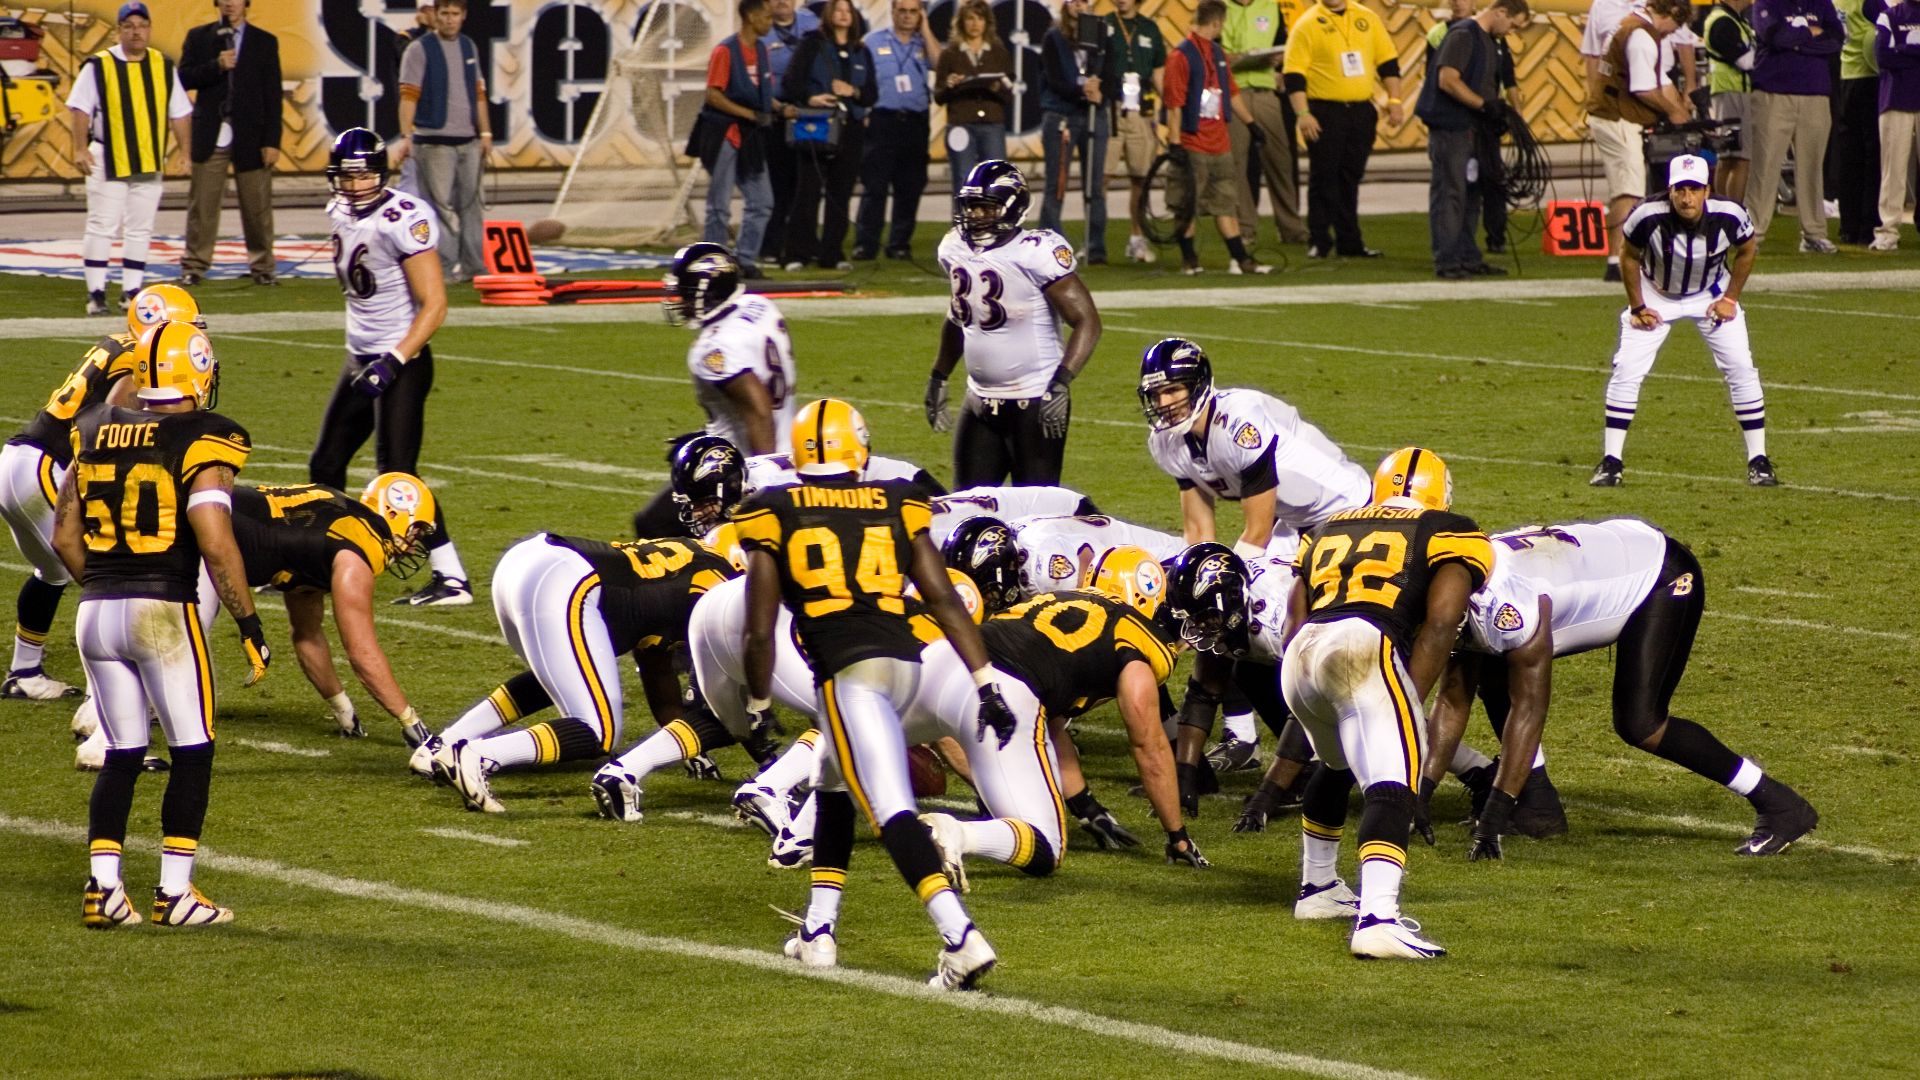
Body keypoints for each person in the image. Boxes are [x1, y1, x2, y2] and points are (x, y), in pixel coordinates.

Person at [733, 397, 1011, 988]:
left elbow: (759, 630)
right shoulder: (892, 499)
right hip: (905, 664)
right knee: (830, 780)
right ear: (857, 446)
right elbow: (940, 597)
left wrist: (757, 704)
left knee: (891, 811)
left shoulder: (772, 509)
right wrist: (985, 681)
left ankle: (961, 937)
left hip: (849, 674)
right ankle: (819, 930)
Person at [1424, 519, 1819, 858]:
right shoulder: (1459, 585)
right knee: (1492, 678)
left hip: (1658, 577)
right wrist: (1417, 801)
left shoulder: (1507, 604)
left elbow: (1530, 708)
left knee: (1641, 723)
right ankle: (1538, 806)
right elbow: (1451, 699)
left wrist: (1492, 817)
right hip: (1592, 563)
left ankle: (1778, 802)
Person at [54, 320, 269, 929]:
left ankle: (104, 889)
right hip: (161, 611)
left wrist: (104, 585)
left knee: (122, 751)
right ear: (197, 369)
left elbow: (64, 535)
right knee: (193, 750)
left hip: (95, 613)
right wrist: (250, 626)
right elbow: (217, 542)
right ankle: (174, 893)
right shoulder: (206, 436)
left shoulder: (94, 426)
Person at [1278, 448, 1491, 959]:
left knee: (1335, 762)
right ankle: (1377, 918)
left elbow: (1295, 610)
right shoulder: (1449, 529)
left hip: (1302, 650)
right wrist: (1409, 701)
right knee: (1395, 779)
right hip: (1362, 645)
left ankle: (1319, 888)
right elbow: (1442, 621)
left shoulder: (1329, 526)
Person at [422, 533, 736, 814]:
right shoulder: (720, 586)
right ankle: (478, 755)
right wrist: (762, 757)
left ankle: (441, 746)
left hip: (531, 561)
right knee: (599, 730)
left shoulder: (698, 566)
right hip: (562, 580)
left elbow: (657, 670)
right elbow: (721, 697)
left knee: (570, 677)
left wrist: (692, 750)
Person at [1, 285, 201, 701]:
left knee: (54, 572)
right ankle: (110, 693)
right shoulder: (140, 356)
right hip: (46, 467)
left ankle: (24, 672)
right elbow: (112, 418)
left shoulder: (121, 344)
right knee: (101, 574)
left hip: (19, 462)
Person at [314, 128, 475, 607]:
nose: (355, 183)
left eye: (363, 173)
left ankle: (451, 577)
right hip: (360, 356)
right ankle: (318, 559)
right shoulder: (337, 210)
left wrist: (395, 359)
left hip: (401, 360)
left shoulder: (403, 217)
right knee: (326, 463)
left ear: (381, 173)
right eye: (346, 175)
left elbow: (435, 304)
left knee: (397, 474)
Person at [1590, 155, 1774, 487]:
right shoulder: (1647, 214)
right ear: (1670, 190)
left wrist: (1730, 298)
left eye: (1693, 189)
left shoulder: (1729, 214)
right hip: (1657, 292)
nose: (1686, 198)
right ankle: (1611, 461)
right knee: (1628, 369)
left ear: (1707, 190)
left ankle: (1759, 461)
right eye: (1680, 189)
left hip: (1710, 293)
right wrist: (1637, 306)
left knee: (1741, 367)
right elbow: (1628, 256)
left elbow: (1747, 250)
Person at [226, 474, 437, 744]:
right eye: (416, 530)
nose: (412, 545)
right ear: (393, 511)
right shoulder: (359, 547)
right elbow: (362, 653)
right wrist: (410, 721)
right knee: (177, 639)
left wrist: (342, 708)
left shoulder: (333, 528)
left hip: (218, 514)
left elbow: (307, 633)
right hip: (205, 528)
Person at [928, 161, 1102, 488]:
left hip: (1035, 402)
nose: (976, 215)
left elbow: (1087, 321)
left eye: (985, 207)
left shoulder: (1035, 252)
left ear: (1013, 206)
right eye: (971, 206)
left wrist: (1061, 382)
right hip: (979, 400)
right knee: (967, 512)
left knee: (1034, 518)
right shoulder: (954, 247)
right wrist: (939, 374)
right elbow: (959, 316)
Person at [1137, 337, 1369, 561]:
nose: (1164, 404)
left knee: (1257, 587)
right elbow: (1198, 535)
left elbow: (1257, 533)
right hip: (1293, 524)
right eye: (1155, 395)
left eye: (1172, 390)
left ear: (1197, 385)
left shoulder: (1239, 422)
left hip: (1350, 511)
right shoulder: (1166, 441)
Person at [631, 243, 798, 538]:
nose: (678, 299)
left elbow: (758, 412)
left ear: (707, 289)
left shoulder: (713, 349)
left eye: (684, 290)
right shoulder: (758, 306)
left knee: (654, 525)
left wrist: (765, 487)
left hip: (742, 470)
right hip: (788, 453)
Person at [63, 3, 191, 317]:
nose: (136, 31)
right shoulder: (100, 65)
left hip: (147, 157)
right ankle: (96, 293)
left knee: (140, 228)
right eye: (129, 25)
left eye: (141, 25)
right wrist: (80, 149)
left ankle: (132, 293)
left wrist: (186, 153)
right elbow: (80, 108)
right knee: (102, 225)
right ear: (119, 30)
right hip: (107, 156)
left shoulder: (162, 65)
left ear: (149, 28)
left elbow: (181, 112)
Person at [1282, 0, 1404, 259]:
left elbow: (1388, 62)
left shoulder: (1368, 18)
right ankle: (1320, 239)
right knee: (1324, 176)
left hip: (1360, 110)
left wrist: (1394, 100)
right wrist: (1303, 113)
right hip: (1324, 111)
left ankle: (1350, 242)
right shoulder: (1307, 24)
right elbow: (1294, 74)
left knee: (1350, 177)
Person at [1583, 0, 1693, 281]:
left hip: (1613, 115)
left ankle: (1625, 255)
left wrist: (1679, 106)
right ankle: (1616, 261)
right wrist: (1674, 111)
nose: (1673, 32)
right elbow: (1644, 88)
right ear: (1671, 13)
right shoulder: (1641, 35)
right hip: (1616, 118)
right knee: (1627, 189)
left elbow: (1657, 80)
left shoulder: (1633, 26)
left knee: (1630, 187)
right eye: (1676, 25)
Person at [1421, 0, 1529, 280]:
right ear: (1501, 12)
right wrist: (1484, 105)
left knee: (1471, 193)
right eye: (1512, 25)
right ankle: (1447, 259)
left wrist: (1495, 112)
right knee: (1451, 191)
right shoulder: (1463, 35)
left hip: (1474, 130)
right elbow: (1448, 80)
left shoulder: (1488, 40)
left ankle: (1467, 255)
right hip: (1453, 128)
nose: (1510, 32)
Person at [179, 0, 283, 288]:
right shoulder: (199, 37)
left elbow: (273, 95)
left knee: (257, 205)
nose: (229, 4)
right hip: (211, 131)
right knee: (202, 204)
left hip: (252, 136)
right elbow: (184, 77)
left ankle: (262, 266)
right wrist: (216, 65)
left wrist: (272, 140)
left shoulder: (264, 41)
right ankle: (195, 265)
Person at [1164, 1, 1272, 274]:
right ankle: (1190, 260)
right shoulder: (1181, 56)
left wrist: (1251, 124)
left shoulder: (1217, 53)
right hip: (1192, 143)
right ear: (1216, 23)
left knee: (1226, 202)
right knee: (1187, 204)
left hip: (1219, 143)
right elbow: (1174, 104)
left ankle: (1240, 258)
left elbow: (1231, 93)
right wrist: (1175, 143)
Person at [394, 0, 493, 282]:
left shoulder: (468, 46)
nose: (450, 20)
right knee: (440, 207)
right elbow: (408, 96)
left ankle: (475, 266)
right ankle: (445, 268)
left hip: (468, 140)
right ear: (435, 16)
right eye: (445, 14)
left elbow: (479, 93)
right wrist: (406, 136)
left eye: (455, 14)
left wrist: (485, 132)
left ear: (464, 16)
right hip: (434, 141)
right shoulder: (419, 49)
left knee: (472, 204)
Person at [778, 0, 876, 271]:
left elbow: (871, 94)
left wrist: (853, 92)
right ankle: (798, 252)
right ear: (829, 15)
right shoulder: (812, 44)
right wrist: (812, 97)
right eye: (838, 10)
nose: (844, 15)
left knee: (841, 192)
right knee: (807, 190)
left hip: (851, 128)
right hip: (817, 123)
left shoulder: (861, 50)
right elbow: (791, 82)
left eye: (848, 10)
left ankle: (832, 253)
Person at [697, 0, 787, 280]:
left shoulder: (761, 50)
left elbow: (757, 91)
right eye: (766, 17)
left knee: (762, 201)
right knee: (719, 205)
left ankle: (745, 260)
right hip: (725, 133)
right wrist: (749, 114)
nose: (770, 22)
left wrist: (779, 108)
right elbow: (713, 94)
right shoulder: (726, 50)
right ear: (750, 16)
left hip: (751, 134)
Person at [1743, 0, 1843, 250]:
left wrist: (1796, 41)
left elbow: (1836, 38)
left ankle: (1814, 233)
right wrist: (1811, 34)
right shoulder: (1766, 2)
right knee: (1765, 166)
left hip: (1816, 92)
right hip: (1773, 91)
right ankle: (1752, 232)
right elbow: (1773, 36)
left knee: (1812, 167)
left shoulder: (1821, 3)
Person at [853, 0, 939, 261]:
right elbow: (859, 78)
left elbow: (940, 64)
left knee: (910, 186)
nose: (907, 16)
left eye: (913, 11)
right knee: (875, 186)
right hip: (882, 120)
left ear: (920, 14)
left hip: (914, 122)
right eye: (902, 11)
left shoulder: (923, 43)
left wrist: (925, 30)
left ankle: (899, 243)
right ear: (892, 12)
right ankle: (866, 243)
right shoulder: (873, 40)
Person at [1224, 0, 1309, 249]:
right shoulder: (1220, 6)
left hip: (1266, 91)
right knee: (1237, 163)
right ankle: (1245, 228)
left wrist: (1278, 61)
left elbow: (1283, 43)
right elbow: (1214, 53)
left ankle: (1291, 228)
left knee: (1281, 160)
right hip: (1234, 93)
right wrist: (1240, 59)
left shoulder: (1270, 6)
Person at [1038, 0, 1115, 264]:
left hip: (1094, 114)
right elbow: (1054, 78)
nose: (1079, 6)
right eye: (1074, 1)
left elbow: (1110, 70)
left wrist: (1101, 90)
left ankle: (1096, 246)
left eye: (1084, 1)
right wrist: (1082, 90)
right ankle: (1048, 244)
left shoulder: (1101, 32)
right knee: (1056, 183)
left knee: (1094, 185)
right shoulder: (1054, 36)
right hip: (1062, 115)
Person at [1104, 0, 1169, 262]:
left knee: (1140, 177)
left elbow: (1158, 73)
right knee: (1101, 178)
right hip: (1110, 106)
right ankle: (1095, 241)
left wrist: (1171, 110)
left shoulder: (1150, 28)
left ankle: (1136, 239)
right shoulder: (1104, 24)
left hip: (1142, 108)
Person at [761, 0, 822, 262]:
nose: (782, 1)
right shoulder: (760, 28)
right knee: (778, 186)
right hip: (775, 117)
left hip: (810, 115)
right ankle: (771, 246)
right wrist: (779, 107)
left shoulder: (812, 23)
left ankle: (804, 243)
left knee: (808, 184)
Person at [933, 0, 1013, 191]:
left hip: (992, 125)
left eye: (979, 18)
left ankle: (993, 222)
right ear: (961, 22)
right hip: (960, 125)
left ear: (987, 22)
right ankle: (964, 222)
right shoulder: (950, 54)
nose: (975, 24)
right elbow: (938, 95)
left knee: (995, 180)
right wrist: (950, 85)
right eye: (970, 18)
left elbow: (1009, 95)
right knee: (963, 180)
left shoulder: (999, 53)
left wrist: (995, 87)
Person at [1833, 0, 1883, 245]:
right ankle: (1868, 225)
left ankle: (1847, 226)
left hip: (1845, 76)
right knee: (1872, 155)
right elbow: (1882, 31)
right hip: (1869, 77)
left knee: (1848, 156)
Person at [1873, 0, 1920, 250]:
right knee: (1893, 170)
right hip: (1895, 99)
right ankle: (1888, 229)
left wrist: (1903, 50)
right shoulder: (1889, 16)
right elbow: (1883, 56)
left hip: (1905, 93)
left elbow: (1894, 54)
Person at [1701, 0, 1758, 203]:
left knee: (1727, 156)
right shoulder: (1723, 22)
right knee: (1740, 158)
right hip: (1732, 93)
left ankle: (1720, 210)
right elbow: (1746, 61)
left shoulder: (1727, 19)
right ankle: (1733, 213)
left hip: (1726, 92)